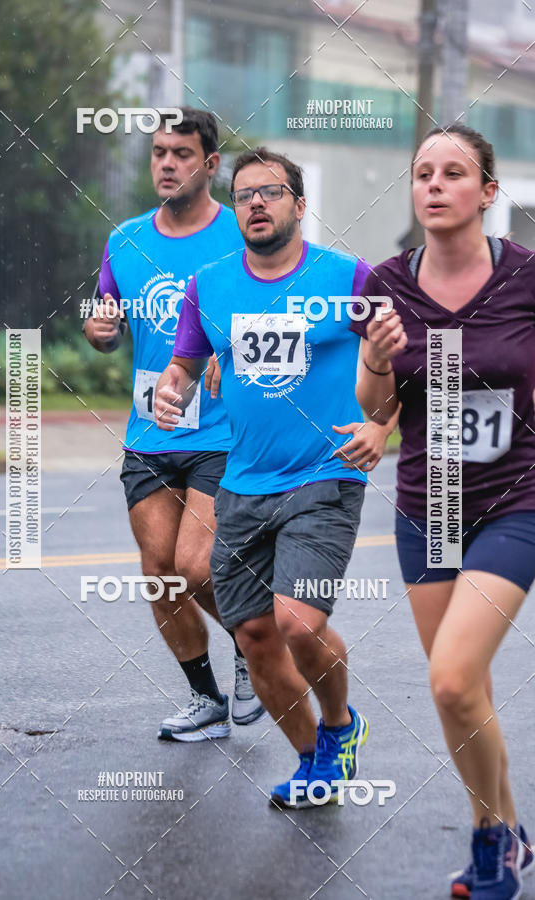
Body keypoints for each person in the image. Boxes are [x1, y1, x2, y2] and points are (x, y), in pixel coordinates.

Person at [155, 146, 393, 807]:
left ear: (299, 203)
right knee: (256, 634)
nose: (255, 203)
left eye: (271, 192)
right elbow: (184, 364)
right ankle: (314, 757)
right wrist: (173, 390)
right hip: (243, 484)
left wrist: (381, 425)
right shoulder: (210, 286)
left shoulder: (348, 277)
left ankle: (341, 726)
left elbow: (404, 364)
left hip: (325, 476)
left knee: (297, 622)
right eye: (244, 195)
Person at [352, 124, 535, 899]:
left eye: (453, 173)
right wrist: (374, 359)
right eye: (423, 172)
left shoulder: (527, 277)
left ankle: (492, 837)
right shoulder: (385, 285)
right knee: (469, 690)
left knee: (453, 681)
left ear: (487, 192)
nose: (433, 185)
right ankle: (505, 832)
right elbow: (376, 407)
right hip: (427, 504)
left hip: (516, 498)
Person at [84, 106, 264, 741]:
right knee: (160, 573)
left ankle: (253, 642)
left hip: (221, 432)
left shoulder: (240, 236)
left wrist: (229, 354)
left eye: (180, 153)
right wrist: (99, 329)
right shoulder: (125, 240)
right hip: (149, 431)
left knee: (195, 566)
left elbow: (273, 312)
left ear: (210, 165)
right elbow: (105, 318)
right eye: (159, 152)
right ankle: (207, 700)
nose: (166, 163)